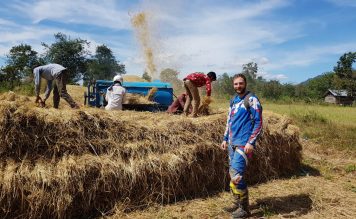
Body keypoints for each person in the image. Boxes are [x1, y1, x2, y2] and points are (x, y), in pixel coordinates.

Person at [220, 74, 263, 218]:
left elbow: (258, 122)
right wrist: (225, 138)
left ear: (245, 83)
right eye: (236, 84)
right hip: (232, 144)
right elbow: (229, 121)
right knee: (233, 175)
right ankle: (239, 204)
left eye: (240, 83)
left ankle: (244, 210)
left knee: (236, 176)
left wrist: (251, 142)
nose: (238, 86)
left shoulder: (251, 99)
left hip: (243, 145)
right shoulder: (233, 100)